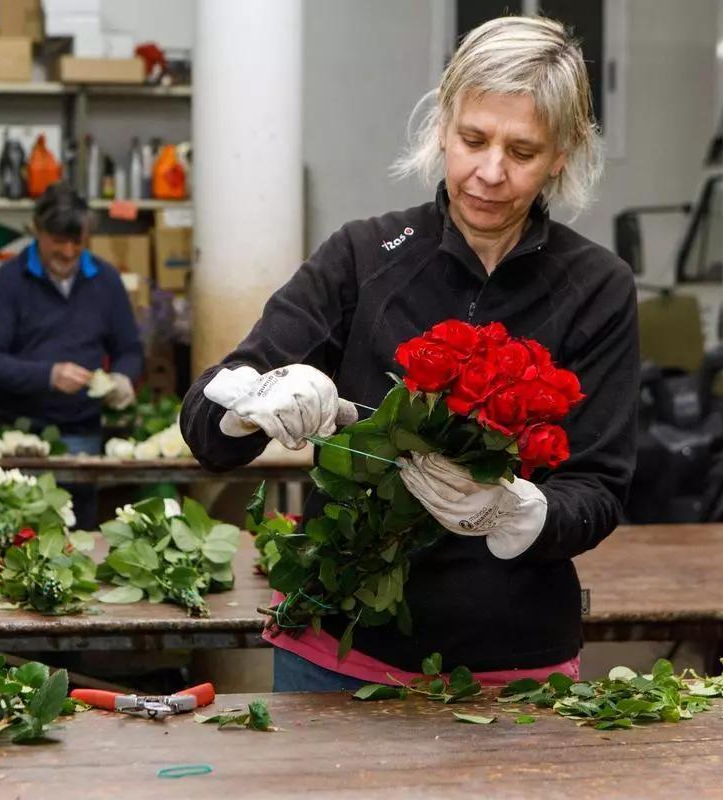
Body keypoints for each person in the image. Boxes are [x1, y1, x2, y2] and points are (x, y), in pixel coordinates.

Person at [180, 16, 639, 691]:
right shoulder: (363, 256)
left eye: (522, 151)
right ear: (442, 125)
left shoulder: (597, 288)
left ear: (562, 155)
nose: (489, 172)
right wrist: (253, 400)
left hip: (514, 667)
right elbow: (206, 431)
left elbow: (599, 488)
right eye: (473, 139)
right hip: (338, 656)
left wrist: (525, 514)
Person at [0, 183, 143, 528]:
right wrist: (48, 376)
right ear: (38, 230)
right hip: (17, 435)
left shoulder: (105, 280)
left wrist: (123, 378)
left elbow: (129, 349)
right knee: (14, 533)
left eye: (76, 243)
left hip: (80, 432)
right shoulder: (8, 281)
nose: (68, 252)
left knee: (78, 534)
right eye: (58, 241)